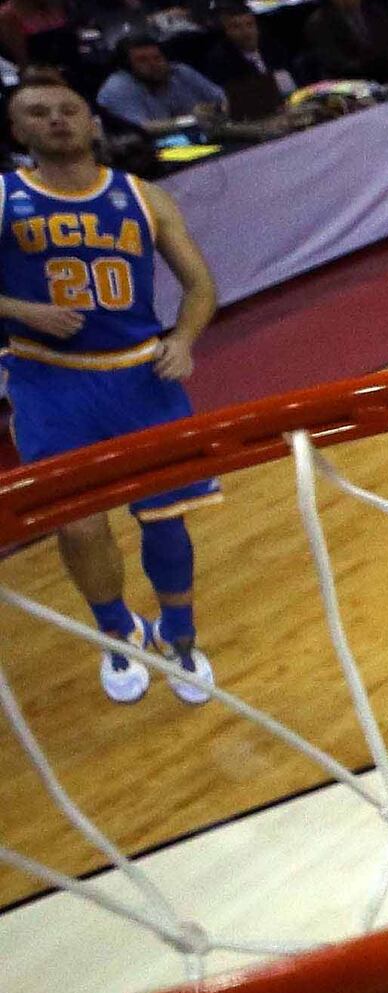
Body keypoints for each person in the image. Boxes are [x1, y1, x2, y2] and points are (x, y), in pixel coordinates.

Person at [1, 80, 223, 704]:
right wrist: (22, 309)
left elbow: (201, 287)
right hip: (49, 380)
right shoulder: (4, 196)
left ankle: (180, 638)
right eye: (38, 114)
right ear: (18, 132)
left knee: (168, 522)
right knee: (77, 525)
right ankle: (117, 633)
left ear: (92, 123)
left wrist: (183, 339)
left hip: (140, 375)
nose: (57, 121)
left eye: (69, 110)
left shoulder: (142, 196)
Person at [94, 36, 226, 134]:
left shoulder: (180, 71)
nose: (153, 64)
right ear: (127, 67)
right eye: (142, 60)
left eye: (157, 58)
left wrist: (216, 109)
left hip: (203, 136)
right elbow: (144, 128)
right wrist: (192, 120)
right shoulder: (117, 87)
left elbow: (222, 98)